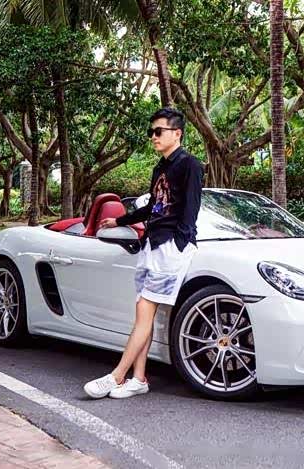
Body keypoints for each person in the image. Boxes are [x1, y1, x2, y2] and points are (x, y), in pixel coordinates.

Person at [84, 107, 204, 399]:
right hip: (152, 244)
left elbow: (191, 208)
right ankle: (138, 379)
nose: (153, 136)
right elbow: (153, 207)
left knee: (144, 313)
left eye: (158, 131)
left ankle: (116, 376)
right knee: (143, 315)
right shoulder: (160, 167)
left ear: (177, 133)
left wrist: (179, 243)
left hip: (169, 248)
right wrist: (120, 221)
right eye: (151, 131)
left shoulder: (190, 164)